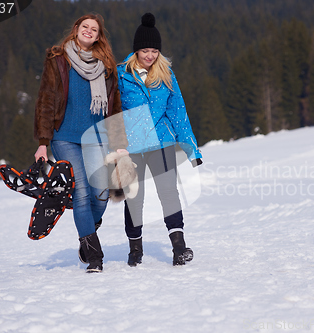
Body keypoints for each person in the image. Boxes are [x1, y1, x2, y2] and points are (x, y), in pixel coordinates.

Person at [33, 13, 128, 273]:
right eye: (84, 26)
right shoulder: (58, 60)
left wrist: (119, 142)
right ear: (76, 29)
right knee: (83, 192)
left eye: (93, 29)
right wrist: (43, 142)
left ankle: (86, 234)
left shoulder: (106, 66)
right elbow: (45, 101)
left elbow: (115, 107)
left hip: (98, 138)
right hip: (65, 137)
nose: (88, 31)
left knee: (100, 196)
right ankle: (94, 256)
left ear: (99, 36)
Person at [117, 13, 203, 267]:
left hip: (161, 142)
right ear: (136, 51)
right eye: (145, 50)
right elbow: (112, 112)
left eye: (154, 50)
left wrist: (192, 150)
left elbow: (178, 113)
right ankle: (135, 248)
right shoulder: (121, 76)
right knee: (135, 197)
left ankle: (179, 247)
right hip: (131, 146)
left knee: (169, 193)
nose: (150, 55)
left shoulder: (166, 75)